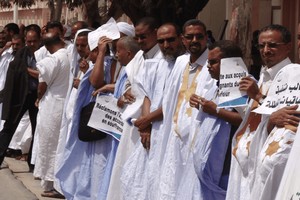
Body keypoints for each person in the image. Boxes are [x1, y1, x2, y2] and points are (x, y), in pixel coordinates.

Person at [226, 24, 293, 200]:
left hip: (270, 166)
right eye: (261, 45)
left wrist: (257, 95)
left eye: (272, 45)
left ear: (288, 47)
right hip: (248, 163)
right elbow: (254, 118)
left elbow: (287, 118)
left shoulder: (293, 76)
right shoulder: (264, 74)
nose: (266, 50)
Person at [120, 22, 185, 199]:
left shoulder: (186, 64)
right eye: (161, 41)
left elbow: (177, 102)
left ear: (180, 38)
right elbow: (145, 93)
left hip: (172, 130)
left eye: (170, 40)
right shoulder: (156, 64)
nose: (166, 45)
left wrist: (148, 120)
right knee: (144, 177)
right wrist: (147, 123)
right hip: (152, 130)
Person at [106, 17, 163, 200]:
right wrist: (125, 93)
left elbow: (162, 96)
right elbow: (138, 88)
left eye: (143, 37)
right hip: (137, 123)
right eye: (137, 37)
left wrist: (147, 121)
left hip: (154, 124)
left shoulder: (165, 60)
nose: (140, 41)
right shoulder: (141, 57)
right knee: (130, 172)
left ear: (155, 33)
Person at [156, 19, 212, 199]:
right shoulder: (181, 62)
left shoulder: (215, 63)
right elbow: (169, 100)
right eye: (189, 36)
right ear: (182, 39)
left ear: (206, 37)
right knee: (171, 183)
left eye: (199, 36)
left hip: (197, 140)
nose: (194, 40)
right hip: (175, 135)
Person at [185, 40, 243, 199]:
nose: (208, 66)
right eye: (208, 62)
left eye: (213, 62)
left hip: (227, 165)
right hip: (208, 165)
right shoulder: (216, 86)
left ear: (230, 63)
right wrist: (201, 105)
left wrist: (215, 110)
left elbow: (245, 120)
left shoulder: (244, 86)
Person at [32, 32, 69, 198]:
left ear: (45, 46)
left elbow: (42, 85)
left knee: (49, 144)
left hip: (53, 105)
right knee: (60, 143)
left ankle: (53, 183)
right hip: (66, 104)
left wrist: (39, 98)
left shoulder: (52, 60)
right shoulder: (71, 54)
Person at [0, 24, 41, 171]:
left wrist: (27, 71)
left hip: (38, 97)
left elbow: (44, 74)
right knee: (9, 126)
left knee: (37, 129)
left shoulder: (44, 53)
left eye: (34, 41)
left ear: (39, 40)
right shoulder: (22, 54)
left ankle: (33, 163)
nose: (31, 44)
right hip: (21, 95)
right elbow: (15, 73)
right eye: (29, 41)